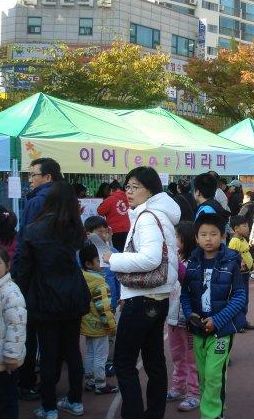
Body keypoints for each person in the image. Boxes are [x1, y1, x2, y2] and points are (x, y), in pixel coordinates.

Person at [104, 166, 180, 418]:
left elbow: (150, 258)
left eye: (135, 187)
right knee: (154, 360)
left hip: (142, 298)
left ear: (151, 190)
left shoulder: (148, 216)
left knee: (125, 362)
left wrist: (112, 259)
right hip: (157, 298)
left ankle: (133, 414)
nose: (129, 191)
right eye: (127, 186)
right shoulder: (160, 213)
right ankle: (154, 412)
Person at [15, 181, 91, 418]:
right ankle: (75, 400)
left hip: (44, 297)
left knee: (48, 353)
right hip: (73, 296)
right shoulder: (75, 229)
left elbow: (22, 269)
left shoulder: (34, 229)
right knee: (72, 351)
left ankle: (48, 407)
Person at [180, 213, 246, 419]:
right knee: (203, 376)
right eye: (203, 234)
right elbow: (185, 294)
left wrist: (217, 320)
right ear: (196, 238)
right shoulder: (193, 263)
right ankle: (212, 407)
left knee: (214, 374)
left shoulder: (231, 262)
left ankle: (212, 415)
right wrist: (190, 313)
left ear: (222, 237)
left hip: (221, 330)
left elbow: (239, 296)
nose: (208, 239)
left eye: (213, 234)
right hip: (198, 329)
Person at [11, 157, 63, 402]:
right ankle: (50, 384)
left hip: (35, 276)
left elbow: (25, 242)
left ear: (47, 177)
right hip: (59, 276)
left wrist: (20, 274)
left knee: (30, 330)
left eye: (33, 174)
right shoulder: (66, 199)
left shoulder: (37, 202)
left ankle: (27, 381)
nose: (30, 179)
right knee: (55, 334)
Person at [0, 245, 27, 419]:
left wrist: (12, 357)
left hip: (4, 362)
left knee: (6, 405)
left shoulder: (10, 292)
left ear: (7, 266)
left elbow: (16, 326)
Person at [166, 221, 200, 412]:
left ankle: (193, 393)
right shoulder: (175, 257)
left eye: (176, 237)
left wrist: (174, 262)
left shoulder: (194, 262)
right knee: (177, 355)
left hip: (188, 320)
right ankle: (178, 386)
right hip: (172, 317)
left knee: (191, 358)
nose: (173, 240)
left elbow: (186, 279)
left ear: (185, 239)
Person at [78, 242, 118, 395]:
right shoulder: (100, 282)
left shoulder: (82, 277)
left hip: (87, 323)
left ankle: (90, 380)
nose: (102, 264)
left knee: (89, 353)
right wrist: (112, 326)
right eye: (98, 261)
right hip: (100, 325)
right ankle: (100, 384)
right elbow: (105, 308)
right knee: (101, 356)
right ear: (89, 263)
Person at [228, 215, 254, 330]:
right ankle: (237, 323)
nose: (247, 228)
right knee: (240, 298)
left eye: (247, 225)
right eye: (244, 226)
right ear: (236, 229)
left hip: (245, 274)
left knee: (245, 298)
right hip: (239, 274)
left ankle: (243, 321)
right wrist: (240, 263)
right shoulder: (234, 241)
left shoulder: (243, 239)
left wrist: (252, 264)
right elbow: (232, 256)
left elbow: (246, 253)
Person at [97, 180, 131, 253]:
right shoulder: (129, 198)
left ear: (111, 190)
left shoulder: (110, 199)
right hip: (128, 229)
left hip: (115, 230)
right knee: (126, 252)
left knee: (116, 252)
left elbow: (100, 211)